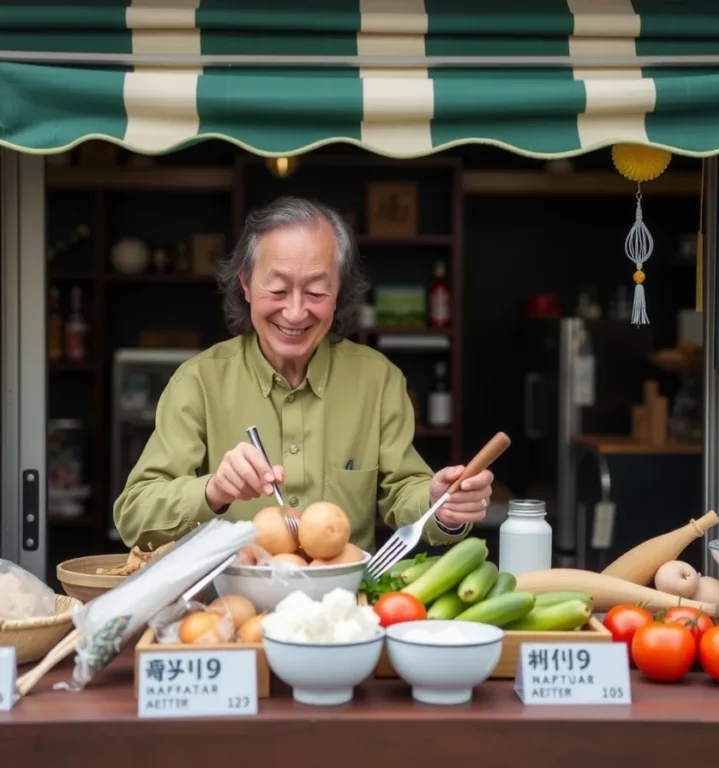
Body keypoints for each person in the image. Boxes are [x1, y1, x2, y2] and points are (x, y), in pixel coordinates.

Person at [113, 196, 493, 554]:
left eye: (315, 292)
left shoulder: (378, 381)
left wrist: (437, 502)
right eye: (278, 289)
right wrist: (212, 490)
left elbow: (403, 491)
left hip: (342, 598)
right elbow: (133, 515)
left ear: (338, 290)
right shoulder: (198, 382)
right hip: (231, 599)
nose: (295, 313)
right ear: (246, 284)